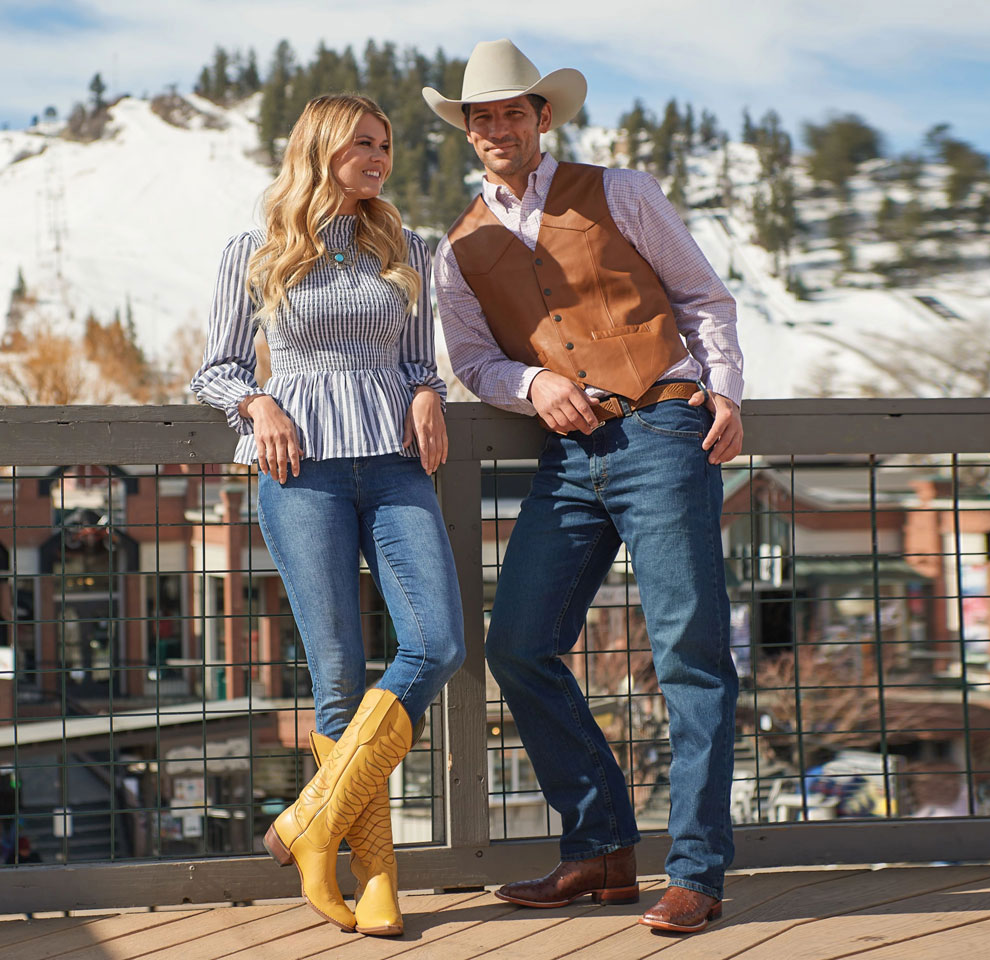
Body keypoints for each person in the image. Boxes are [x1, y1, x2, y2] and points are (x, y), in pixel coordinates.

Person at [422, 39, 746, 935]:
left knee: (689, 654)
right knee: (519, 645)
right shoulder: (457, 246)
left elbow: (704, 300)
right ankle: (601, 847)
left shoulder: (622, 191)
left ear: (542, 119)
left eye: (511, 113)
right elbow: (476, 361)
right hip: (568, 454)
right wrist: (533, 386)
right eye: (480, 117)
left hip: (664, 428)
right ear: (468, 130)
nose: (496, 129)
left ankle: (696, 871)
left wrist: (724, 391)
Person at [188, 93, 465, 937]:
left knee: (438, 643)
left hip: (393, 466)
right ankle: (375, 877)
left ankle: (311, 821)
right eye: (360, 145)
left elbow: (422, 356)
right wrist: (257, 403)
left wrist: (426, 390)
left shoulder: (407, 247)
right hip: (300, 470)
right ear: (319, 150)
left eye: (382, 145)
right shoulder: (257, 249)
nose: (376, 158)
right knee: (338, 673)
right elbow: (216, 368)